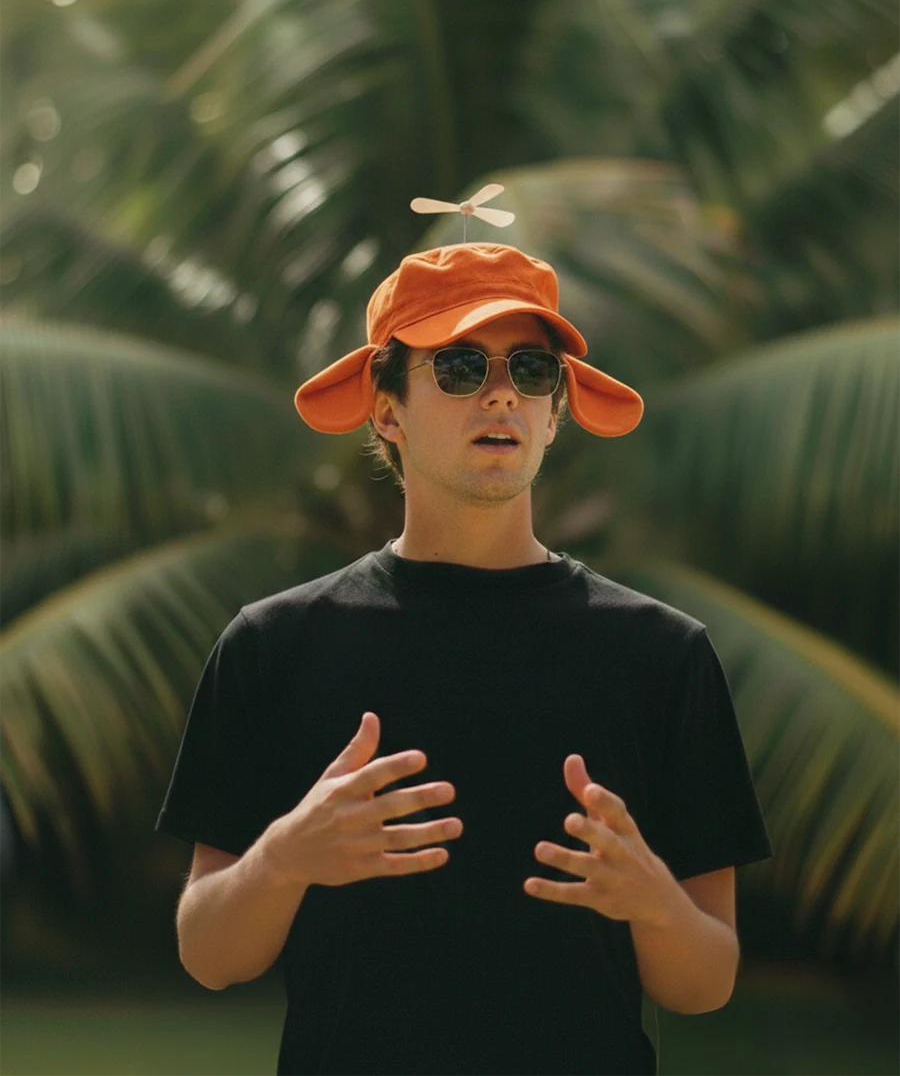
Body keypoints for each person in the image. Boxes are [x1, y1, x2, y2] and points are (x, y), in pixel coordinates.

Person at [156, 241, 772, 1076]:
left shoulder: (664, 656)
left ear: (556, 412)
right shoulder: (273, 646)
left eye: (531, 368)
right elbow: (208, 952)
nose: (501, 394)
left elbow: (708, 980)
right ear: (387, 410)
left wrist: (653, 902)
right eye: (457, 366)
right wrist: (285, 857)